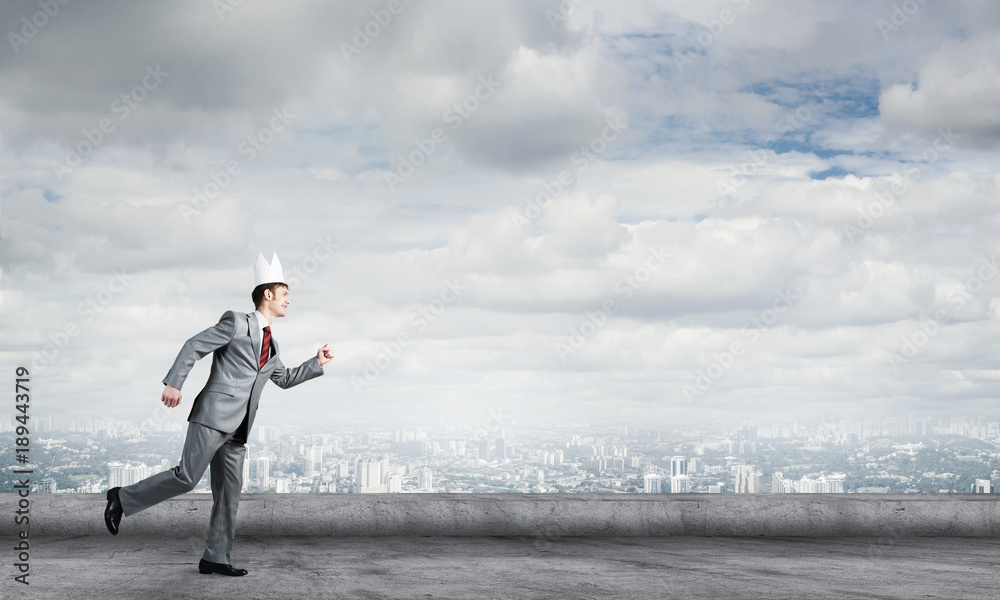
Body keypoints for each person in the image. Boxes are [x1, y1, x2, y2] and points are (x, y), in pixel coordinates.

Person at [103, 253, 334, 576]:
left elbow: (283, 379)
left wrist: (316, 362)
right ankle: (122, 498)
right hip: (212, 416)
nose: (288, 301)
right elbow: (194, 345)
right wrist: (173, 382)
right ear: (268, 295)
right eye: (285, 294)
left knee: (229, 495)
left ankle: (216, 556)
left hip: (238, 430)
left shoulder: (273, 346)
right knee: (186, 477)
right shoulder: (236, 322)